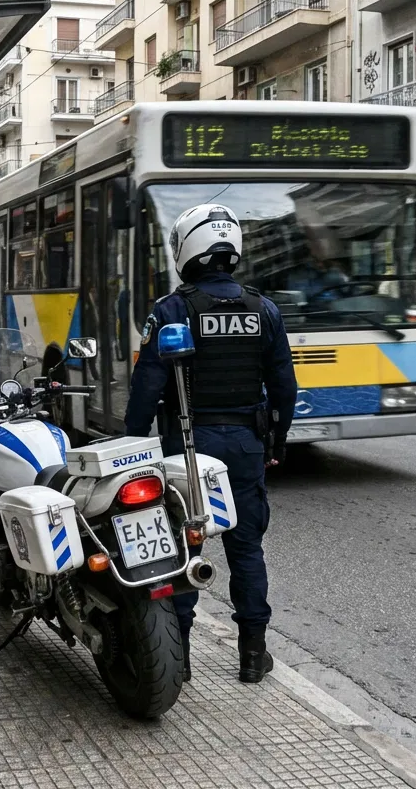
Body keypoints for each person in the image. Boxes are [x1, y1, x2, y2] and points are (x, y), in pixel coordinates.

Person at [125, 204, 297, 685]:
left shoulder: (172, 310)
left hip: (185, 444)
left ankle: (177, 657)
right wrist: (275, 440)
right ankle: (252, 655)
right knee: (246, 549)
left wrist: (134, 449)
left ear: (188, 249)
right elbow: (284, 387)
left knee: (181, 548)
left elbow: (145, 391)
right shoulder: (264, 309)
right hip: (244, 443)